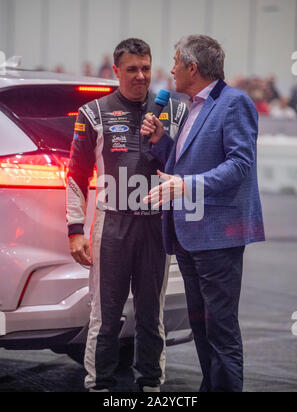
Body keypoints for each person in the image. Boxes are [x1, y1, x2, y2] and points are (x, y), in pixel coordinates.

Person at [141, 34, 265, 392]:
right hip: (189, 235)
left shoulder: (234, 103)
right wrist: (161, 141)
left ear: (193, 67)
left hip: (218, 236)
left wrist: (187, 186)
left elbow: (241, 164)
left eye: (176, 61)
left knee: (221, 329)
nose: (171, 69)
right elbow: (183, 165)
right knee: (202, 327)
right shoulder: (192, 107)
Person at [66, 38, 188, 392]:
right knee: (105, 317)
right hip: (113, 225)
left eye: (146, 68)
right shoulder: (94, 112)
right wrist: (75, 229)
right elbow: (75, 175)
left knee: (151, 315)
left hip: (155, 224)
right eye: (132, 69)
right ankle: (99, 386)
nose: (140, 76)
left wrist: (163, 141)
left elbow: (183, 168)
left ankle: (151, 387)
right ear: (116, 71)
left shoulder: (171, 112)